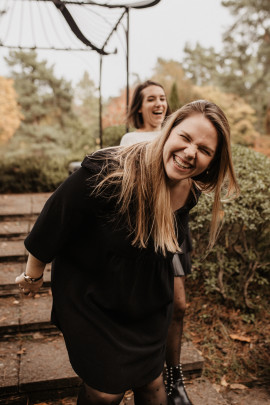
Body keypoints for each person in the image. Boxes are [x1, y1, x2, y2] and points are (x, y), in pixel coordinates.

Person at [15, 100, 238, 405]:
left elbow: (168, 244)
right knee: (105, 393)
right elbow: (56, 217)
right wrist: (32, 274)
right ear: (169, 131)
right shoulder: (110, 172)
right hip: (94, 300)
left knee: (152, 387)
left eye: (204, 149)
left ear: (212, 161)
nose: (190, 152)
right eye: (185, 138)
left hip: (146, 304)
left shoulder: (190, 192)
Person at [121, 80, 193, 404]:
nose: (159, 103)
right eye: (151, 99)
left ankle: (174, 376)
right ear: (140, 107)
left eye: (162, 98)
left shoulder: (177, 136)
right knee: (150, 306)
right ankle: (140, 372)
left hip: (176, 228)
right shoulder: (131, 139)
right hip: (146, 232)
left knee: (179, 305)